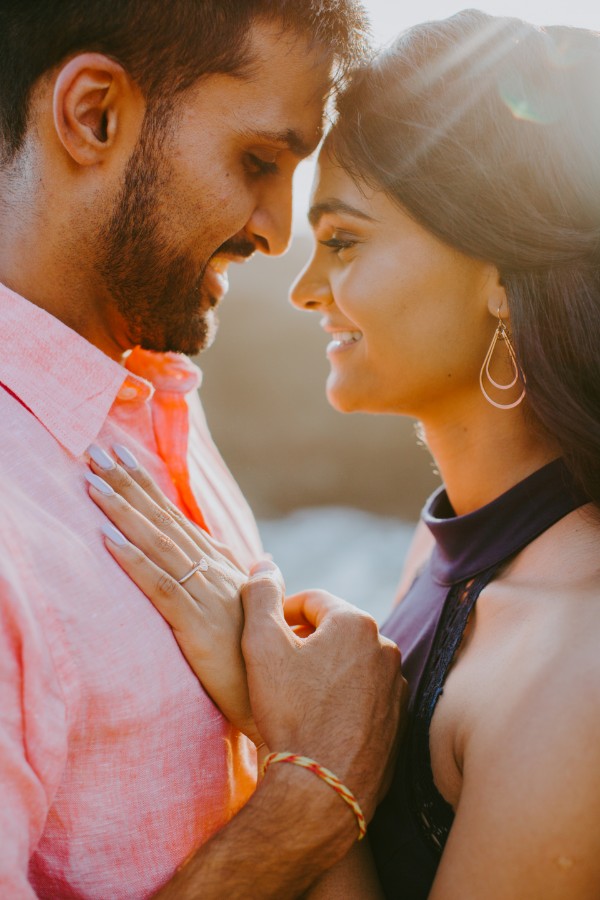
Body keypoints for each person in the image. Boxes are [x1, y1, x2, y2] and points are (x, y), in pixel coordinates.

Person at [88, 9, 600, 898]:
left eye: (344, 240)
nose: (302, 289)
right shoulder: (454, 550)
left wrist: (300, 753)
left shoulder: (575, 664)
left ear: (503, 279)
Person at [0, 2, 406, 897]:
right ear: (94, 113)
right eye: (258, 162)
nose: (274, 231)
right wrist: (309, 801)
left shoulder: (155, 401)